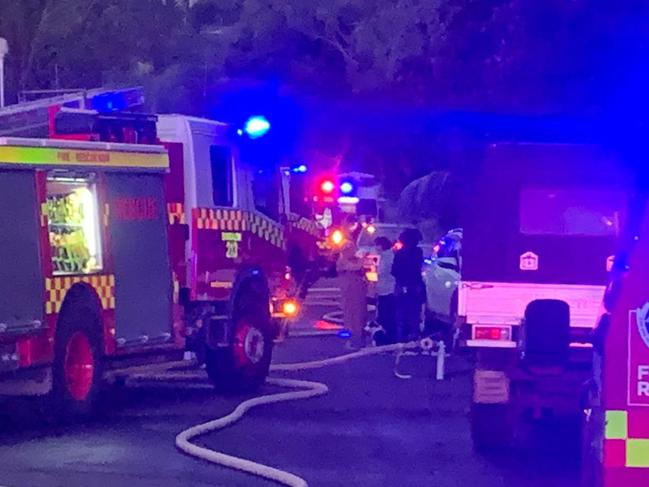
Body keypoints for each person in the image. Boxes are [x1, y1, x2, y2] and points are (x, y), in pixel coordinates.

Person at [392, 228, 425, 342]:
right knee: (415, 312)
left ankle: (400, 338)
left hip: (402, 285)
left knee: (401, 311)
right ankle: (414, 336)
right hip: (416, 285)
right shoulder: (418, 252)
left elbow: (394, 270)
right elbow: (418, 267)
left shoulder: (400, 254)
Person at [337, 228, 367, 349]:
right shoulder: (342, 261)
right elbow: (354, 268)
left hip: (358, 292)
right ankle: (353, 338)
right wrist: (362, 259)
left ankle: (359, 337)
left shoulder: (353, 259)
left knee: (360, 314)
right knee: (351, 314)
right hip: (349, 291)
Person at [374, 236, 396, 344]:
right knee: (383, 313)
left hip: (388, 290)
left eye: (377, 245)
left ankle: (387, 337)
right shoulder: (384, 256)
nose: (375, 248)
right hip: (383, 289)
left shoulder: (389, 257)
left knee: (386, 314)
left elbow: (384, 272)